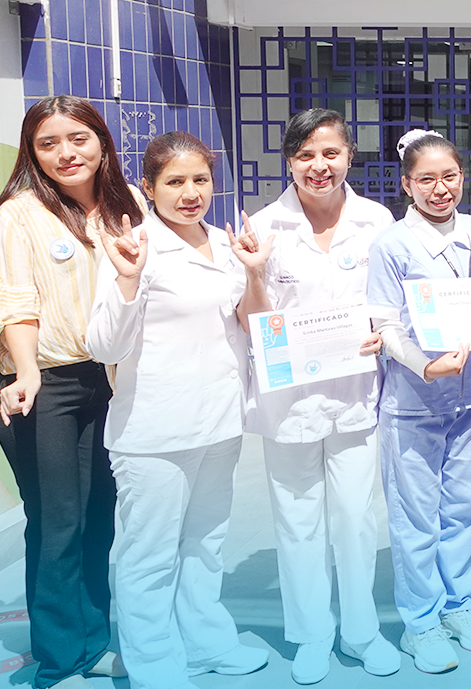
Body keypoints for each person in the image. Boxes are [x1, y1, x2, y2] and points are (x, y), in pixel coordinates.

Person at [88, 132, 270, 689]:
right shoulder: (135, 248)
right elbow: (104, 346)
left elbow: (254, 326)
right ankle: (153, 665)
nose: (190, 193)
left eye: (200, 180)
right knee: (150, 554)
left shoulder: (226, 244)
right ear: (148, 187)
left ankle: (207, 644)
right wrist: (127, 280)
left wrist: (255, 272)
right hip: (155, 430)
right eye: (174, 182)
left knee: (206, 544)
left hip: (220, 421)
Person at [235, 109, 400, 684]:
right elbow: (251, 322)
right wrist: (254, 273)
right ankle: (310, 635)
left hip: (355, 393)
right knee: (297, 518)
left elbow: (392, 303)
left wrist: (384, 333)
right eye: (305, 155)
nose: (319, 165)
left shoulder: (377, 221)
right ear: (290, 161)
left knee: (355, 518)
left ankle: (360, 632)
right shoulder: (264, 226)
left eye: (330, 152)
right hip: (290, 401)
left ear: (349, 155)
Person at [0, 97, 144, 689]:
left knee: (99, 516)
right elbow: (16, 301)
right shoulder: (18, 214)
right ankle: (59, 659)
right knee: (57, 519)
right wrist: (26, 372)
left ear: (102, 142)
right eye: (48, 143)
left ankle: (93, 640)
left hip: (108, 380)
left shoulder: (127, 202)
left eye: (78, 138)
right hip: (43, 383)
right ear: (32, 153)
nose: (66, 153)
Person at [365, 129, 471, 675]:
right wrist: (424, 366)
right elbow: (385, 324)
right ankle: (420, 621)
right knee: (416, 517)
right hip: (415, 400)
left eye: (449, 176)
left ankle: (457, 605)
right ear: (406, 185)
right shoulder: (392, 246)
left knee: (466, 507)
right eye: (426, 179)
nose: (440, 188)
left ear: (463, 177)